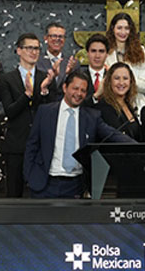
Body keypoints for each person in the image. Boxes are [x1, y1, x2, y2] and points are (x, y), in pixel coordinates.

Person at [24, 70, 134, 198]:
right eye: (75, 88)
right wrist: (29, 175)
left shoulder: (92, 117)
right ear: (65, 88)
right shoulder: (45, 112)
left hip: (75, 186)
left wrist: (139, 146)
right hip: (44, 184)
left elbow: (113, 135)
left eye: (83, 91)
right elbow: (32, 145)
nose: (79, 94)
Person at [0, 33, 57, 197]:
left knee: (41, 192)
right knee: (14, 192)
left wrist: (44, 91)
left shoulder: (46, 78)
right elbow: (10, 111)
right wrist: (27, 95)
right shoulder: (6, 79)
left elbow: (52, 110)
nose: (33, 52)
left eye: (36, 48)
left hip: (41, 144)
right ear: (19, 50)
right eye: (29, 48)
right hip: (16, 143)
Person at [105, 13, 145, 112]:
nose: (123, 32)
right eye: (119, 28)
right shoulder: (105, 52)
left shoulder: (140, 51)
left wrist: (126, 81)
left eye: (126, 28)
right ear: (113, 29)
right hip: (112, 104)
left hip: (136, 103)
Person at [92, 63, 143, 141]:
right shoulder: (103, 107)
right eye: (117, 78)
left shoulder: (129, 105)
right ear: (109, 81)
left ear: (131, 82)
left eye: (125, 78)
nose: (121, 83)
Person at [36, 22, 76, 88]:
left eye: (61, 36)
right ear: (46, 38)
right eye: (54, 36)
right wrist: (54, 74)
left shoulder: (72, 63)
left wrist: (67, 74)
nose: (57, 39)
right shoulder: (37, 61)